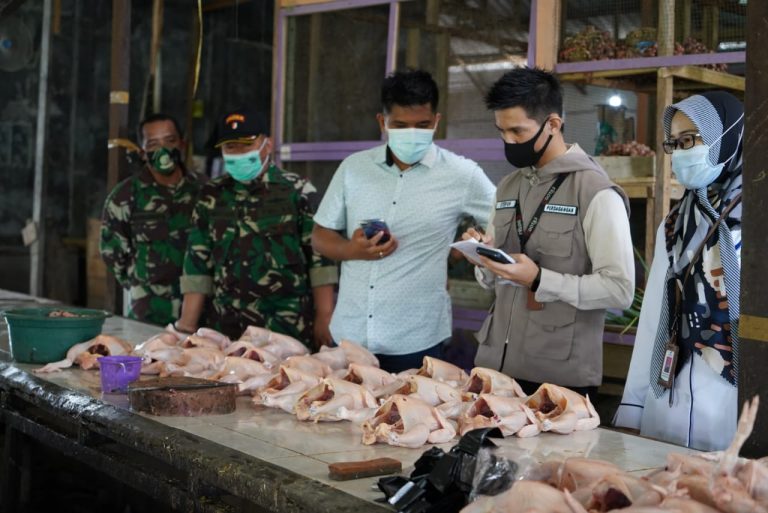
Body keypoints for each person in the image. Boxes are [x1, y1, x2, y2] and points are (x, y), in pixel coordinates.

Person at [311, 69, 496, 373]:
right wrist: (352, 250)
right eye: (400, 125)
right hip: (349, 336)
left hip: (416, 340)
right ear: (382, 123)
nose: (412, 134)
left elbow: (506, 221)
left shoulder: (463, 175)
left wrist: (476, 243)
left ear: (436, 121)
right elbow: (320, 235)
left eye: (422, 126)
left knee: (406, 419)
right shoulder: (353, 169)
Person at [465, 67, 635, 398]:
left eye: (517, 131)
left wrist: (540, 280)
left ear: (553, 124)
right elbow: (493, 281)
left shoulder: (595, 192)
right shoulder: (507, 187)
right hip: (493, 369)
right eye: (501, 131)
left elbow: (619, 290)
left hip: (557, 377)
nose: (508, 142)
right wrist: (483, 257)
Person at [614, 91, 744, 451]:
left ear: (727, 137)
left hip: (735, 402)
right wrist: (634, 406)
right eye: (675, 143)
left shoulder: (757, 220)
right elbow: (654, 316)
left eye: (690, 140)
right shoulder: (675, 223)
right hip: (669, 396)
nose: (682, 153)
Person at [175, 107, 337, 346]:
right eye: (231, 147)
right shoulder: (211, 195)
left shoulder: (298, 191)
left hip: (287, 328)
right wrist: (186, 327)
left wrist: (325, 316)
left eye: (246, 145)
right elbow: (198, 265)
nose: (238, 153)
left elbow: (320, 261)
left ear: (267, 145)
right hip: (225, 330)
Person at [100, 113, 201, 326]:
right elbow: (113, 253)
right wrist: (141, 282)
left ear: (182, 144)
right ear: (143, 152)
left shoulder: (204, 191)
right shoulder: (125, 196)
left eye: (170, 141)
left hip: (201, 314)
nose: (163, 150)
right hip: (148, 312)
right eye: (153, 144)